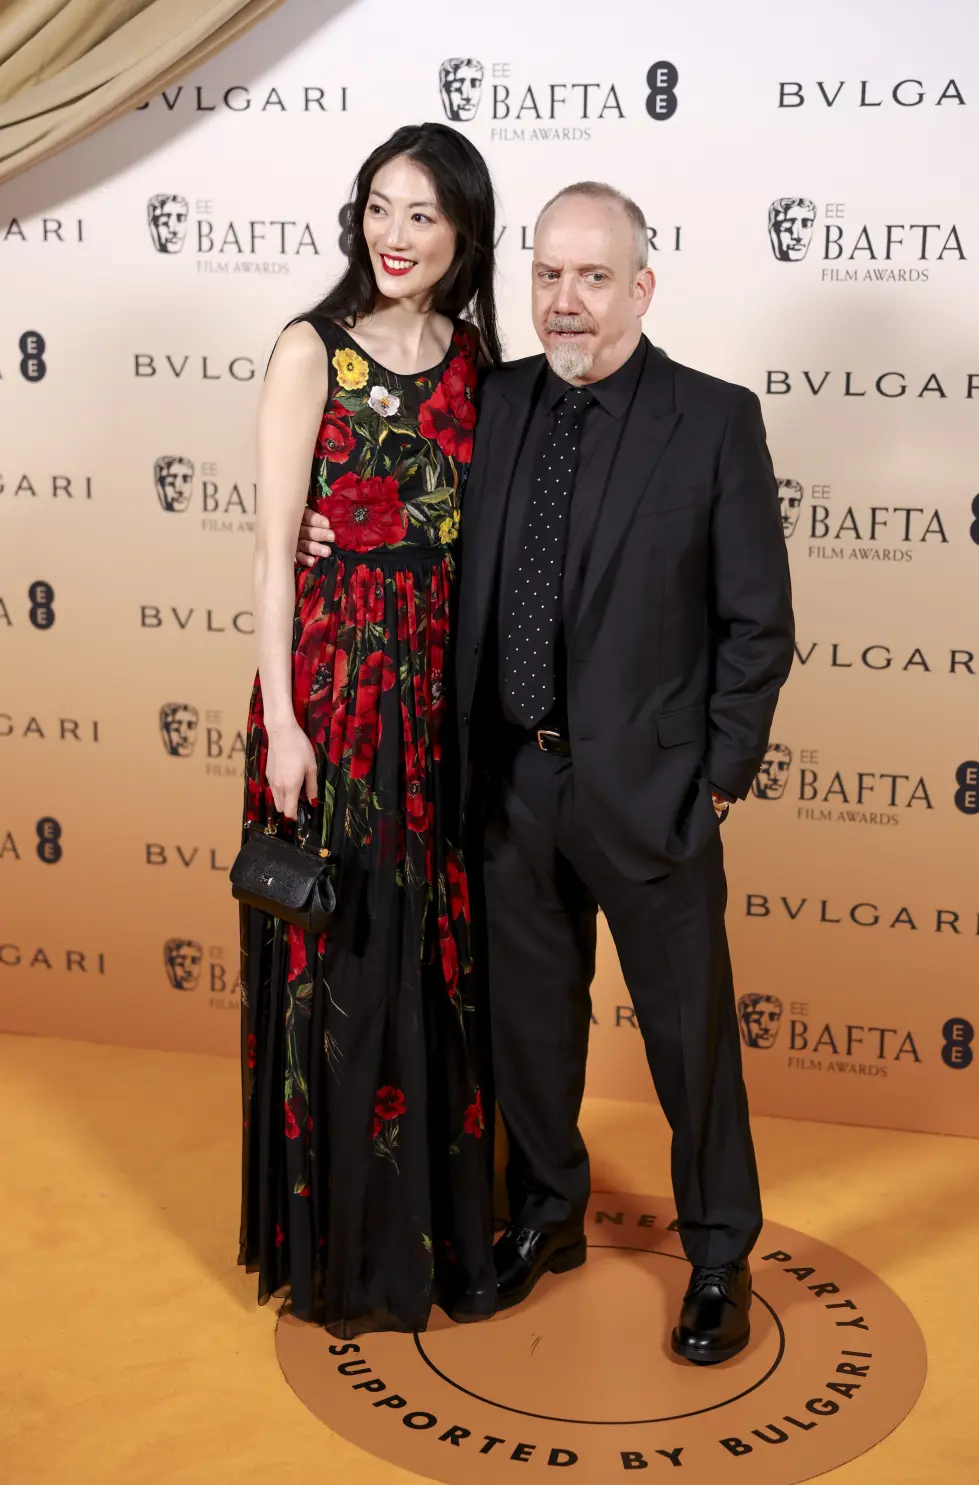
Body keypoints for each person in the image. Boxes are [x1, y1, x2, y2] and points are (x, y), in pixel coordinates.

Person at [298, 180, 794, 1366]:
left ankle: (719, 1251)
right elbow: (398, 489)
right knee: (528, 1027)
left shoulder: (712, 419)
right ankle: (549, 1211)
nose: (565, 302)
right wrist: (326, 528)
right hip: (509, 781)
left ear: (641, 286)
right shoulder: (495, 396)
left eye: (592, 277)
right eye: (547, 276)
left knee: (690, 1041)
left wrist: (714, 779)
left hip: (652, 795)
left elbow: (757, 623)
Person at [239, 122, 501, 1339]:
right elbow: (270, 544)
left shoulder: (477, 359)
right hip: (336, 694)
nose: (393, 236)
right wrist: (283, 721)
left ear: (461, 236)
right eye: (379, 208)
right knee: (340, 960)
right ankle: (345, 1251)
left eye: (422, 217)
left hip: (436, 695)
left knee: (431, 956)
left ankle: (433, 1235)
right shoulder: (310, 348)